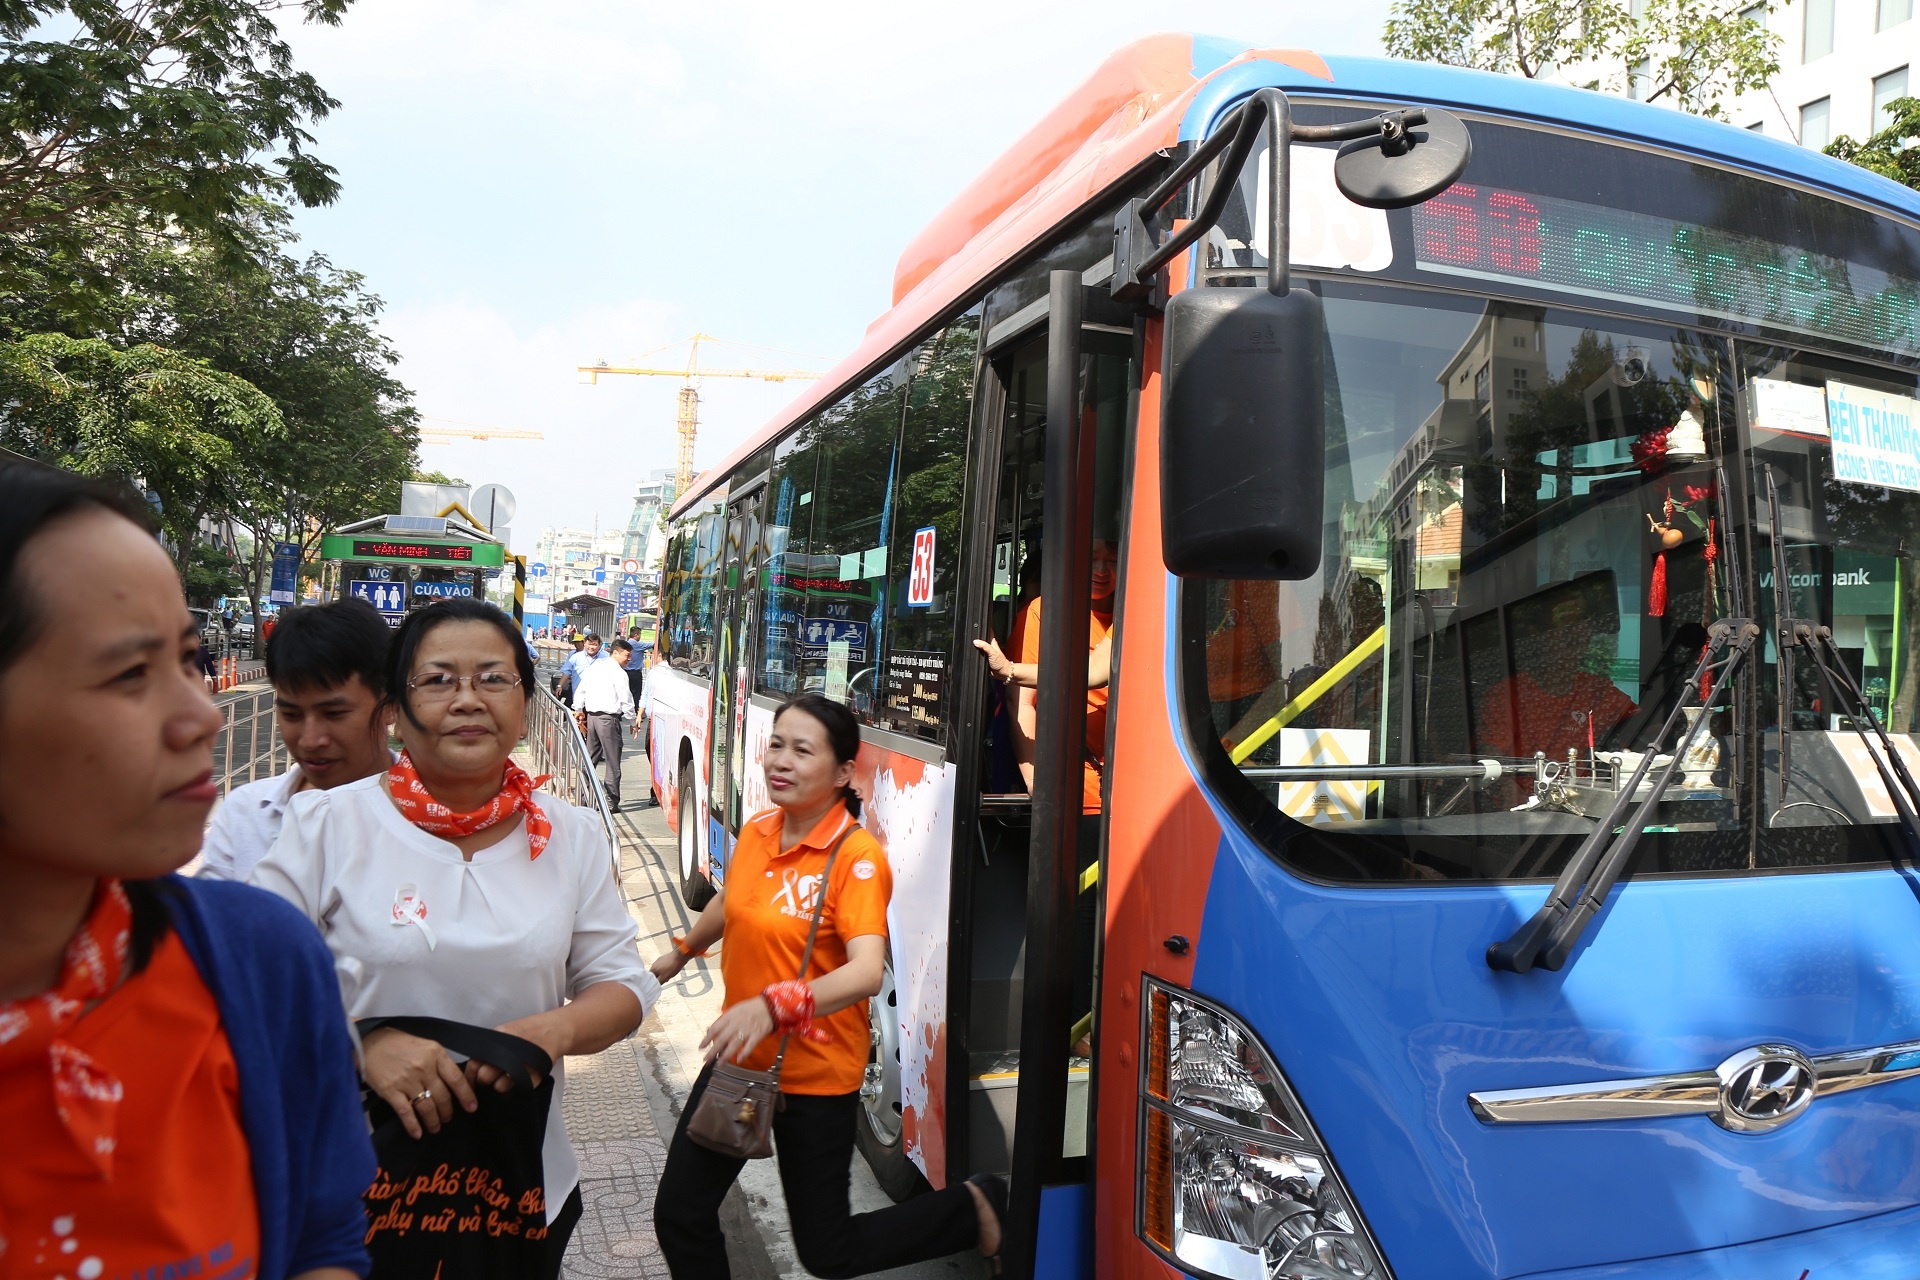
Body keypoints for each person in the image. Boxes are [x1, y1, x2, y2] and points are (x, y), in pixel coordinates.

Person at [0, 463, 375, 1279]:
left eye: (190, 659)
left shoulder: (256, 962)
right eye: (129, 674)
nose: (203, 715)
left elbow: (324, 1238)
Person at [252, 598, 655, 1276]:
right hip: (349, 1189)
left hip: (518, 1183)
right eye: (438, 680)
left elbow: (623, 986)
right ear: (394, 709)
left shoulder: (572, 835)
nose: (468, 699)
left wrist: (552, 1031)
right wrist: (357, 1045)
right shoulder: (326, 825)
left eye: (493, 678)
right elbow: (248, 982)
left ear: (526, 702)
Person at [649, 693, 1006, 1279]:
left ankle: (974, 1207)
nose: (780, 760)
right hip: (741, 1060)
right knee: (680, 1213)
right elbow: (733, 899)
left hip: (816, 1076)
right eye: (777, 745)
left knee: (827, 1253)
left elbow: (866, 970)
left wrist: (774, 1005)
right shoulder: (760, 831)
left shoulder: (857, 859)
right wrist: (681, 952)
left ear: (842, 772)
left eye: (802, 750)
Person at [198, 598, 395, 882]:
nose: (310, 741)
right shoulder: (246, 815)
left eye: (334, 714)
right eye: (291, 715)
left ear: (390, 705)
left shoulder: (436, 822)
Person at [573, 635, 636, 811]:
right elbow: (625, 698)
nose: (629, 659)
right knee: (613, 761)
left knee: (590, 759)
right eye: (627, 655)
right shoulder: (619, 673)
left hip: (592, 718)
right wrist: (632, 719)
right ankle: (610, 801)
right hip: (608, 720)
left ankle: (583, 798)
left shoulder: (595, 668)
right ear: (615, 653)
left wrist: (578, 709)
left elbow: (581, 690)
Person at [557, 630, 602, 701]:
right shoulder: (574, 656)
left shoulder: (605, 658)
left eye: (594, 645)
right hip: (577, 693)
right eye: (589, 644)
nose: (576, 644)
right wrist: (560, 685)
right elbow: (567, 671)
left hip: (596, 696)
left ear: (600, 645)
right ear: (585, 644)